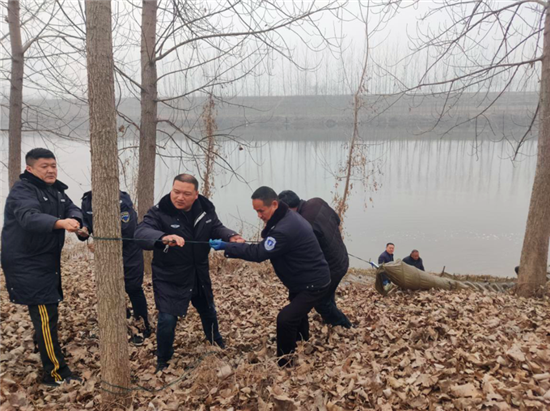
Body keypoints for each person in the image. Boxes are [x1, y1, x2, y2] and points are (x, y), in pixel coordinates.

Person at [210, 186, 331, 367]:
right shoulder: (285, 217)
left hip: (314, 283)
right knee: (296, 310)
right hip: (303, 279)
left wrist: (227, 247)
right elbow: (268, 244)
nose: (259, 215)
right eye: (256, 211)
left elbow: (259, 253)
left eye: (261, 210)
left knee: (286, 319)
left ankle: (285, 362)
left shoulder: (285, 227)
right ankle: (301, 340)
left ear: (274, 204)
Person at [135, 174, 243, 372]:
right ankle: (163, 359)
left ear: (196, 194)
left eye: (186, 193)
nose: (179, 197)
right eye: (176, 192)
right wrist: (162, 237)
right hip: (169, 275)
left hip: (198, 272)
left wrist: (231, 236)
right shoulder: (159, 212)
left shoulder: (205, 209)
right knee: (167, 319)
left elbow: (216, 227)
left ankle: (216, 341)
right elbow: (141, 232)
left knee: (208, 310)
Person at [1, 148, 83, 386]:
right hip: (26, 263)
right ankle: (56, 373)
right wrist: (60, 223)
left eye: (53, 166)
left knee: (47, 313)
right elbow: (29, 217)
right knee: (46, 316)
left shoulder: (55, 190)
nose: (50, 170)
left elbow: (72, 208)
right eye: (44, 167)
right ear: (30, 169)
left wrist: (78, 222)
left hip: (46, 262)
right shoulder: (22, 191)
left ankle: (44, 350)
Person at [77, 190, 151, 344]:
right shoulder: (87, 200)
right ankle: (118, 322)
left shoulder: (122, 199)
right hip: (106, 256)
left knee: (133, 288)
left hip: (129, 251)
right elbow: (85, 221)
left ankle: (142, 326)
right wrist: (84, 230)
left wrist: (102, 244)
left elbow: (128, 229)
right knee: (110, 288)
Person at [277, 190, 352, 328]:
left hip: (332, 267)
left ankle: (344, 325)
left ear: (290, 208)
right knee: (328, 295)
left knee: (321, 302)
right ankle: (331, 318)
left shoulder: (304, 224)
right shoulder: (317, 202)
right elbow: (337, 220)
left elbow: (305, 252)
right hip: (341, 255)